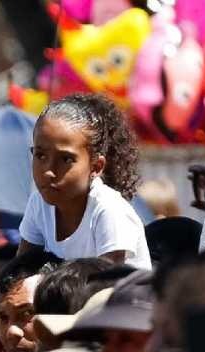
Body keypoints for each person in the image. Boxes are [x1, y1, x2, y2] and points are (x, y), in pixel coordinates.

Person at [17, 93, 151, 269]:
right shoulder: (39, 204)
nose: (48, 171)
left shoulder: (109, 211)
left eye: (65, 159)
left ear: (96, 166)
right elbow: (19, 274)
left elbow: (103, 286)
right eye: (40, 155)